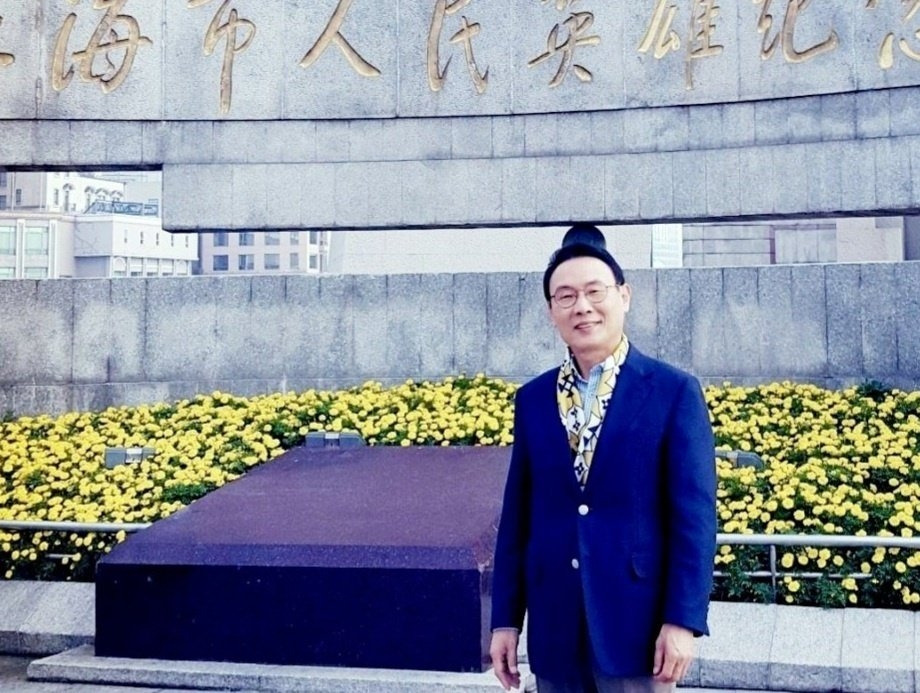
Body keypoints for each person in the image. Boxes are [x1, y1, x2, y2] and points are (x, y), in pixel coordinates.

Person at [489, 224, 717, 693]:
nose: (582, 306)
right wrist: (505, 620)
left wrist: (683, 620)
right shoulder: (533, 399)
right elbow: (518, 518)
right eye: (566, 296)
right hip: (556, 629)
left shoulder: (673, 391)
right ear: (551, 311)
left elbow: (694, 517)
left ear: (624, 296)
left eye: (595, 291)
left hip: (638, 631)